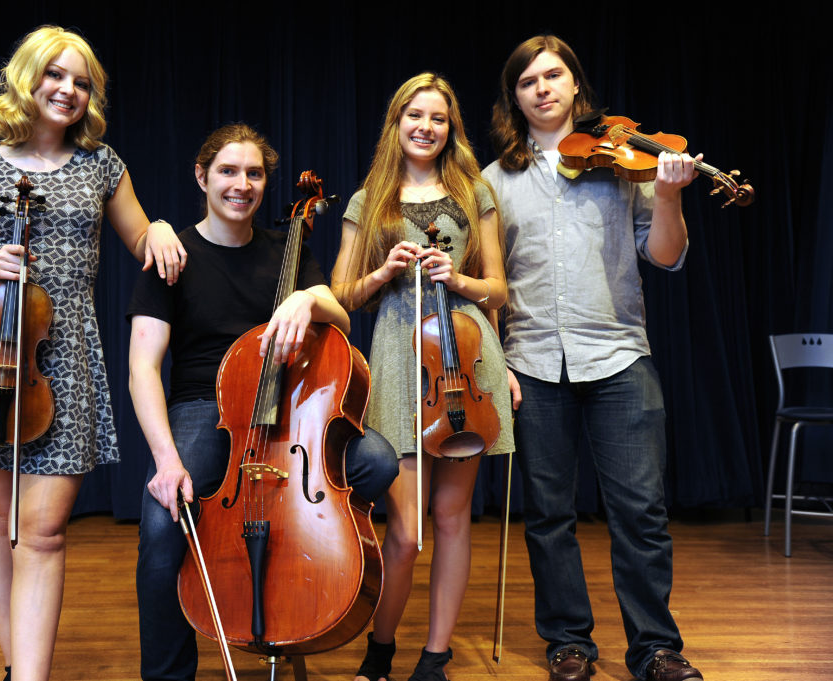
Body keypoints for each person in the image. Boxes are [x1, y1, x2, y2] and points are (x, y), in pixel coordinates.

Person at [0, 26, 184, 681]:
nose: (69, 90)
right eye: (56, 76)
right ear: (28, 79)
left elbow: (141, 241)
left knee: (41, 531)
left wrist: (156, 225)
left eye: (81, 81)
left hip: (64, 360)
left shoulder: (104, 165)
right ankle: (19, 665)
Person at [128, 123, 399, 681]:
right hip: (208, 407)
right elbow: (142, 368)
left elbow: (340, 316)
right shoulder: (172, 254)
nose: (242, 184)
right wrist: (165, 461)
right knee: (161, 527)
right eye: (228, 171)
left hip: (293, 408)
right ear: (202, 177)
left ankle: (295, 574)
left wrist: (308, 299)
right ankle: (167, 674)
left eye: (254, 173)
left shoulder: (288, 250)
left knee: (377, 461)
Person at [482, 35, 704, 681]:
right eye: (528, 80)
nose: (543, 88)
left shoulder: (624, 163)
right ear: (514, 96)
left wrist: (669, 195)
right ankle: (568, 643)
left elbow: (664, 255)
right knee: (548, 514)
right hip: (530, 362)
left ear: (576, 85)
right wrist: (496, 366)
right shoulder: (494, 180)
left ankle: (656, 648)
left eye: (555, 75)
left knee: (640, 509)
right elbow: (491, 283)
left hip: (618, 355)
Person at [331, 73, 513, 681]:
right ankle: (380, 651)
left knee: (453, 517)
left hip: (463, 360)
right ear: (396, 122)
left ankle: (435, 656)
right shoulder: (369, 200)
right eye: (414, 115)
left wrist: (456, 278)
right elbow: (342, 296)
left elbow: (498, 289)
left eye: (437, 118)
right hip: (396, 361)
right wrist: (384, 271)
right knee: (405, 534)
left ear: (450, 128)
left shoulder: (473, 190)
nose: (425, 127)